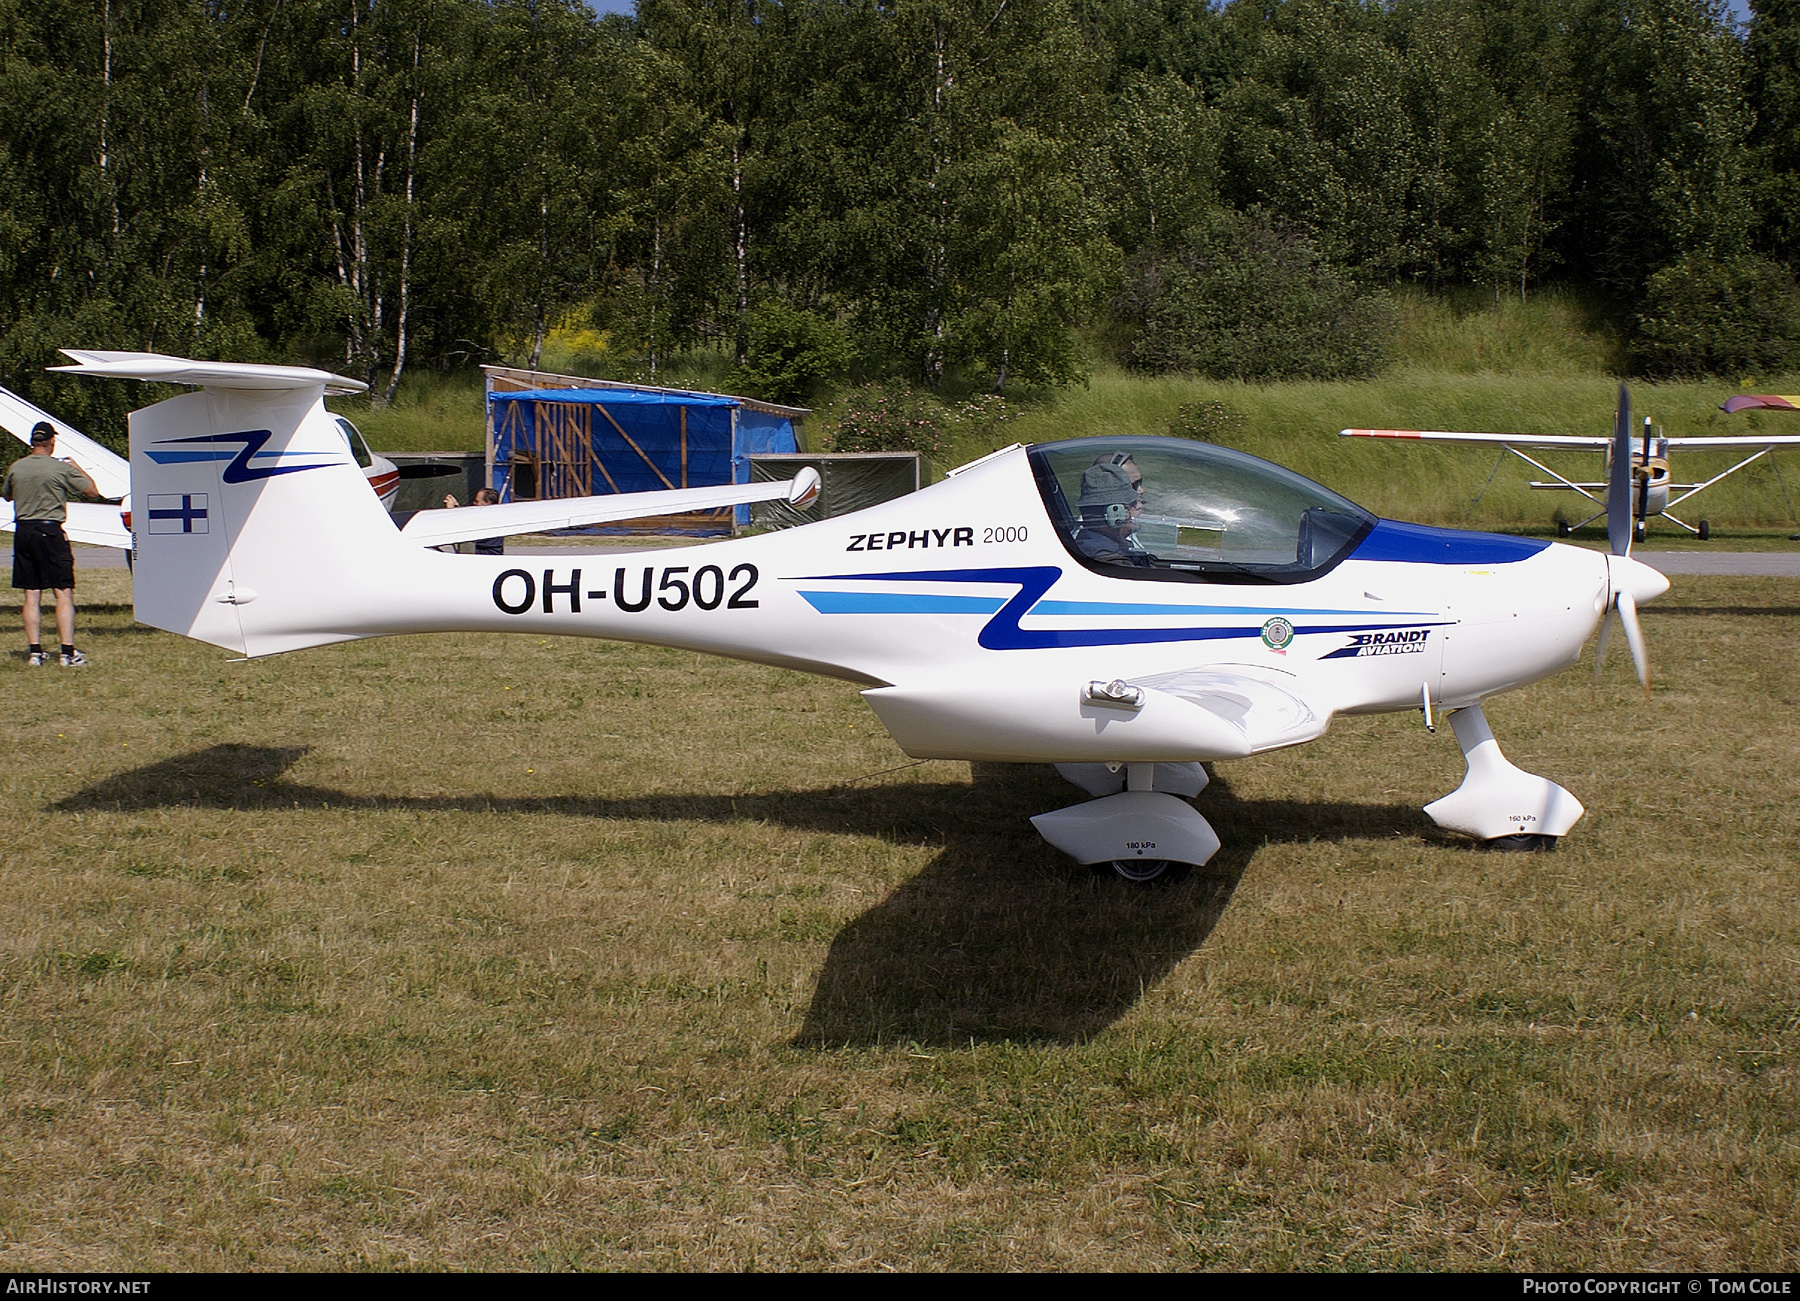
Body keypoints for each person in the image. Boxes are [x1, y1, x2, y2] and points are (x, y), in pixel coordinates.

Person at [3, 422, 98, 666]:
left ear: (33, 442)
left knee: (31, 595)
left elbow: (7, 494)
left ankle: (35, 653)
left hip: (23, 532)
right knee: (62, 592)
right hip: (50, 531)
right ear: (52, 441)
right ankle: (67, 652)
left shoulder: (17, 467)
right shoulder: (59, 468)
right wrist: (77, 468)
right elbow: (92, 492)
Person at [1070, 452, 1152, 566]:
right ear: (1115, 513)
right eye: (1132, 503)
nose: (1138, 505)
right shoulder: (1108, 560)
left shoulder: (1114, 546)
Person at [441, 487, 505, 555]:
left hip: (487, 558)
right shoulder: (490, 516)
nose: (474, 503)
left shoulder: (491, 520)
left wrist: (451, 511)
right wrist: (456, 507)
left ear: (487, 503)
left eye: (477, 501)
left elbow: (464, 530)